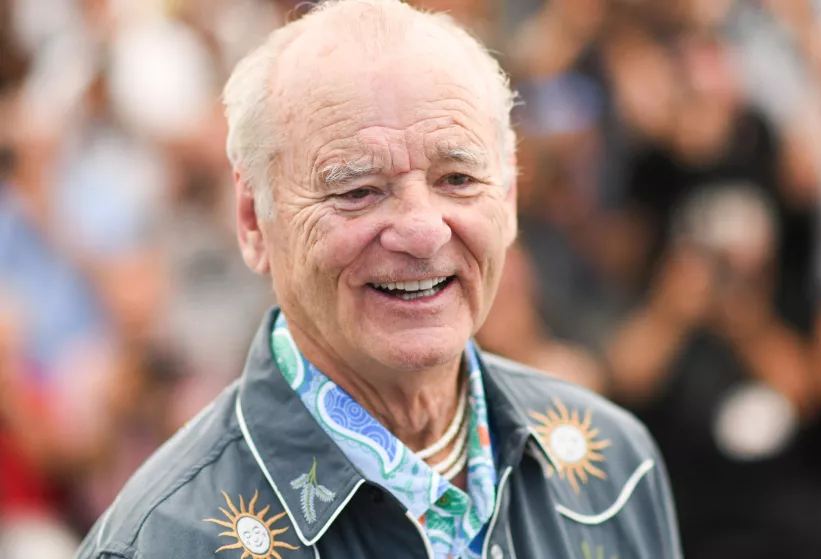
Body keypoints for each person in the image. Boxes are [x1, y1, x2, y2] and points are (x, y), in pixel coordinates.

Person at [74, 2, 681, 558]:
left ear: (511, 198)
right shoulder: (166, 541)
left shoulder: (613, 465)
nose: (423, 232)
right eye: (357, 191)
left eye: (458, 180)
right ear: (253, 221)